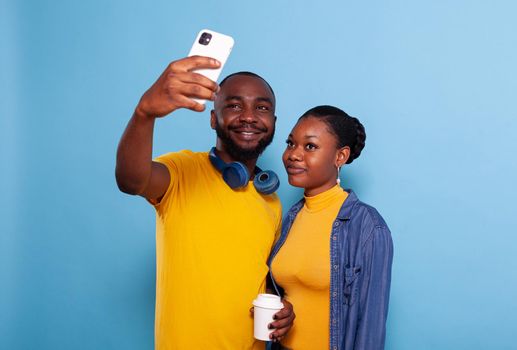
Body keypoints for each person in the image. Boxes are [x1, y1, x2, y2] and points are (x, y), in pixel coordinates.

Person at [115, 55, 294, 349]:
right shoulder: (182, 170)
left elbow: (264, 281)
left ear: (272, 123)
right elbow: (131, 180)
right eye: (234, 105)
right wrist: (144, 113)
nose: (249, 116)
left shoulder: (271, 201)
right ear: (213, 118)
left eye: (261, 108)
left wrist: (284, 308)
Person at [267, 105, 393, 350]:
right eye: (290, 143)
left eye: (310, 146)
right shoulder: (292, 216)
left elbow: (370, 327)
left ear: (340, 157)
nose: (293, 154)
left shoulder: (367, 227)